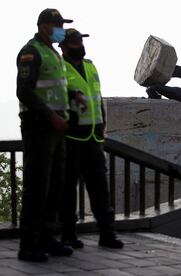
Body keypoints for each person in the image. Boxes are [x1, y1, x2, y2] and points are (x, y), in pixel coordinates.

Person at [16, 8, 85, 262]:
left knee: (55, 186)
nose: (61, 30)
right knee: (37, 186)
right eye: (57, 25)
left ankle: (47, 238)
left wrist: (73, 96)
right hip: (39, 126)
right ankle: (28, 244)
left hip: (57, 129)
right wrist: (51, 116)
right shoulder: (30, 52)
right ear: (44, 26)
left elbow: (54, 88)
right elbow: (24, 91)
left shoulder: (54, 54)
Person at [58, 28, 123, 249]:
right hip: (71, 137)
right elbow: (55, 95)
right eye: (75, 42)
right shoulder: (59, 68)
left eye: (80, 41)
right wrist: (73, 95)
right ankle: (68, 234)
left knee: (99, 188)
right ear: (64, 46)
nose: (80, 45)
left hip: (94, 136)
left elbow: (97, 97)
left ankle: (107, 233)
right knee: (68, 189)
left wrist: (103, 124)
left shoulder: (90, 66)